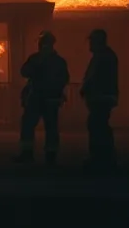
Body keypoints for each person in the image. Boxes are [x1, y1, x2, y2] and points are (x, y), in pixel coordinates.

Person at [13, 30, 70, 165]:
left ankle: (27, 154)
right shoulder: (59, 61)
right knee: (51, 127)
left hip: (37, 98)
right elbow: (64, 79)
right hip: (50, 99)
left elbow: (24, 71)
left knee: (29, 125)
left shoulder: (36, 59)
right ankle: (50, 156)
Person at [80, 28, 119, 172]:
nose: (89, 44)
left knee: (97, 125)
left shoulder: (103, 57)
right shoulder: (105, 55)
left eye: (91, 41)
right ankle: (105, 156)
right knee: (99, 125)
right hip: (102, 97)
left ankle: (100, 158)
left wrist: (86, 88)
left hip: (101, 98)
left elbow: (95, 77)